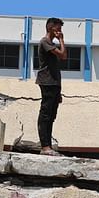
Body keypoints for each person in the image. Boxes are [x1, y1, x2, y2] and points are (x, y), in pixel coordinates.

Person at [36, 17, 66, 156]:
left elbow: (62, 57)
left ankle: (48, 146)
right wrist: (61, 40)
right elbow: (63, 55)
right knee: (45, 114)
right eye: (58, 28)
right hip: (47, 81)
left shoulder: (52, 43)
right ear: (50, 28)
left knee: (52, 115)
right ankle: (45, 146)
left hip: (54, 83)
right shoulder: (45, 42)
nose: (59, 31)